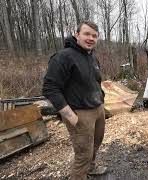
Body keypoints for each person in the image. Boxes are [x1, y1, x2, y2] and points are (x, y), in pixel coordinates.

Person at [42, 20, 107, 180]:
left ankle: (90, 169)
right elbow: (50, 88)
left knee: (96, 143)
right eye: (86, 34)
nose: (91, 38)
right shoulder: (63, 57)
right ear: (76, 34)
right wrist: (70, 116)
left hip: (97, 109)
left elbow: (95, 81)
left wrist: (101, 98)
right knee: (83, 153)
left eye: (94, 35)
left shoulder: (91, 56)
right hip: (79, 113)